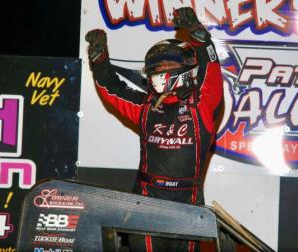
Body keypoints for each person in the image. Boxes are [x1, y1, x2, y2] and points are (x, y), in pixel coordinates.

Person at [85, 7, 223, 251]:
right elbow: (111, 88)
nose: (159, 71)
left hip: (188, 202)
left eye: (166, 65)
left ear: (186, 68)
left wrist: (198, 34)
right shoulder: (145, 106)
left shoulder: (202, 105)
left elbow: (211, 70)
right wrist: (99, 60)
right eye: (155, 67)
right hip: (146, 199)